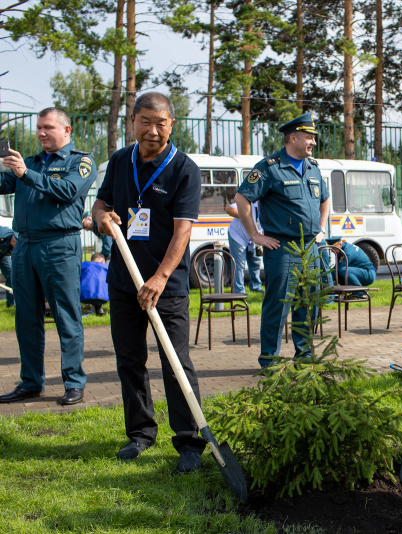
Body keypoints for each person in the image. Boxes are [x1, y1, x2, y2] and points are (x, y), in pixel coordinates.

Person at [91, 92, 206, 473]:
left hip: (165, 285)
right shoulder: (121, 161)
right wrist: (103, 218)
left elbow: (183, 232)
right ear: (133, 122)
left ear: (172, 125)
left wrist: (159, 278)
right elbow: (101, 204)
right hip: (123, 279)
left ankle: (190, 441)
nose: (152, 131)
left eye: (161, 123)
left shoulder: (184, 169)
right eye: (145, 121)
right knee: (129, 360)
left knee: (176, 363)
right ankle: (140, 433)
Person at [0, 107, 95, 406]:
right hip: (25, 246)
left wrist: (25, 174)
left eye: (48, 127)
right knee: (26, 318)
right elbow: (5, 183)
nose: (41, 132)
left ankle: (73, 383)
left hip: (59, 246)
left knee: (66, 315)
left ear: (66, 131)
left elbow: (67, 191)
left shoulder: (81, 161)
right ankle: (30, 382)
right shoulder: (30, 162)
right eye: (39, 127)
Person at [233, 112, 331, 368]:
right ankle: (270, 360)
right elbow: (242, 198)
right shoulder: (269, 167)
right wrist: (255, 235)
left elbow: (326, 199)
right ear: (292, 137)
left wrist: (321, 229)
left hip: (310, 247)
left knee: (308, 304)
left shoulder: (313, 168)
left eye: (313, 138)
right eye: (309, 137)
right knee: (278, 306)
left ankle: (304, 356)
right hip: (283, 249)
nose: (312, 142)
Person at [225, 200, 264, 294]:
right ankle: (239, 291)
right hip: (238, 236)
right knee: (239, 264)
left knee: (255, 262)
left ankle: (256, 286)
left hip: (254, 238)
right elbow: (229, 209)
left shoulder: (266, 208)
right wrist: (245, 217)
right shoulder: (249, 203)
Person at [0, 227, 16, 308]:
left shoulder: (13, 244)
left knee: (11, 273)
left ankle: (11, 303)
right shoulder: (2, 235)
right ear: (13, 240)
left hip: (2, 254)